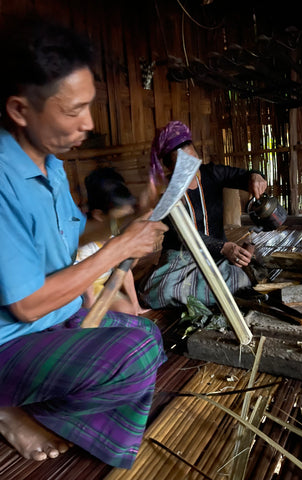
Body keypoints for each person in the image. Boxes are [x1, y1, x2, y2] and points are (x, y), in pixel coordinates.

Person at [0, 18, 168, 469]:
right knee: (134, 356)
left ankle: (38, 397)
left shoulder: (51, 165)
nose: (89, 124)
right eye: (74, 111)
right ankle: (8, 408)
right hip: (11, 340)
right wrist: (119, 249)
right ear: (20, 110)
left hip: (56, 322)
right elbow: (27, 306)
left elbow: (76, 238)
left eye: (90, 107)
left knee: (149, 335)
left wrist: (135, 219)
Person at [138, 120, 268, 309]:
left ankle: (202, 288)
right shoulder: (167, 193)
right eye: (182, 166)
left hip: (217, 255)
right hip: (181, 257)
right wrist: (224, 247)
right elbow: (185, 236)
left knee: (242, 281)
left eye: (193, 160)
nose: (191, 169)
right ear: (169, 167)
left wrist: (255, 176)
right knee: (158, 293)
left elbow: (245, 176)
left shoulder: (212, 173)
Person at [77, 166, 148, 315]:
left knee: (128, 310)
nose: (122, 224)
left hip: (101, 288)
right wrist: (89, 313)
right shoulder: (85, 244)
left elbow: (124, 269)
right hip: (80, 295)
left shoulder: (111, 233)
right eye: (119, 219)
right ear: (98, 215)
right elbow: (85, 284)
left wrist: (136, 307)